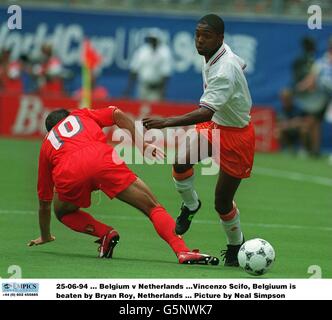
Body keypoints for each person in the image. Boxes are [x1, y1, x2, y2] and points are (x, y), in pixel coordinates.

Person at [28, 106, 219, 266]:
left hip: (69, 171)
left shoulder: (47, 145)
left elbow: (44, 202)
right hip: (102, 160)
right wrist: (142, 145)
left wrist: (45, 235)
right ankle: (182, 251)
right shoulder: (79, 115)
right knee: (152, 206)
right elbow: (116, 114)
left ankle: (105, 234)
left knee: (63, 211)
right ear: (68, 117)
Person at [143, 14, 255, 267]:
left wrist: (166, 122)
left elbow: (205, 111)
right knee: (181, 161)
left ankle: (236, 244)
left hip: (236, 136)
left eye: (207, 36)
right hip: (215, 126)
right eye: (198, 34)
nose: (200, 40)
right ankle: (191, 205)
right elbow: (241, 63)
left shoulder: (224, 70)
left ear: (220, 38)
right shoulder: (223, 55)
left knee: (222, 202)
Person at [123, 29, 173, 101]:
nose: (152, 41)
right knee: (140, 109)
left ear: (158, 40)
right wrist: (128, 88)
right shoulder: (143, 51)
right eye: (150, 39)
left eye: (154, 39)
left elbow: (166, 74)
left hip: (156, 89)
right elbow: (134, 70)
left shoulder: (164, 52)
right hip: (143, 87)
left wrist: (163, 91)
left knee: (155, 110)